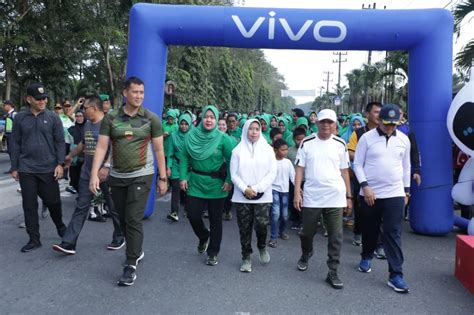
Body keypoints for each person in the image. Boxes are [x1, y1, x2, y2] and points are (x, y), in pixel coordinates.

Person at [89, 76, 168, 286]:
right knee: (123, 219)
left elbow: (159, 149)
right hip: (117, 176)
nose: (139, 96)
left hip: (142, 174)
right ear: (125, 93)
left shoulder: (151, 119)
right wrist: (94, 173)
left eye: (142, 93)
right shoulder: (111, 118)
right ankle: (137, 249)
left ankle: (130, 264)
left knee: (133, 219)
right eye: (135, 92)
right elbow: (102, 147)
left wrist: (163, 178)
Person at [52, 95, 124, 254]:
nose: (83, 111)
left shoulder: (110, 124)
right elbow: (83, 144)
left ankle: (119, 234)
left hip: (107, 173)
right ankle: (69, 242)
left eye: (85, 108)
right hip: (87, 172)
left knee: (113, 206)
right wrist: (71, 156)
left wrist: (106, 166)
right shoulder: (88, 125)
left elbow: (116, 146)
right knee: (81, 206)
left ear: (95, 109)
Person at [353, 104, 411, 293]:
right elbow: (358, 164)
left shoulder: (403, 139)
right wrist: (365, 186)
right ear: (378, 120)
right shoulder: (366, 138)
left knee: (393, 232)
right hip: (370, 194)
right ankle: (366, 255)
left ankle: (396, 274)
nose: (390, 128)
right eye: (386, 124)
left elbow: (406, 166)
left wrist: (406, 191)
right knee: (370, 229)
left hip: (394, 193)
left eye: (394, 125)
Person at [293, 109, 352, 289]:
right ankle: (306, 253)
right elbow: (300, 169)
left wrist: (349, 196)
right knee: (307, 233)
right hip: (312, 196)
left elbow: (344, 172)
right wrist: (297, 192)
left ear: (335, 124)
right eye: (323, 122)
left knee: (336, 235)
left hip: (335, 196)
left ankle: (332, 271)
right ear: (317, 123)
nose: (326, 125)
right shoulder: (307, 142)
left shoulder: (340, 144)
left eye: (330, 122)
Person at [10, 83, 67, 252]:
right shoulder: (20, 118)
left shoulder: (53, 117)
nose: (43, 101)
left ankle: (60, 226)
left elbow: (60, 142)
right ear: (29, 99)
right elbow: (15, 143)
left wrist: (60, 163)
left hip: (48, 168)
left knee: (53, 201)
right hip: (26, 169)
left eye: (45, 98)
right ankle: (34, 239)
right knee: (29, 205)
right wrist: (14, 166)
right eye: (39, 98)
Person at [180, 105, 234, 266]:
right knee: (193, 215)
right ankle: (204, 236)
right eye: (206, 117)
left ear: (217, 120)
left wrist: (229, 180)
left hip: (217, 185)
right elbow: (184, 156)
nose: (209, 120)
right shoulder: (191, 135)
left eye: (212, 117)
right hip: (195, 182)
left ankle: (213, 252)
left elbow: (232, 161)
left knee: (216, 219)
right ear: (201, 118)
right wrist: (183, 177)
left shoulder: (223, 139)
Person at [230, 119, 277, 272]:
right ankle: (246, 257)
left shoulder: (268, 150)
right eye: (251, 129)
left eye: (257, 129)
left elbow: (272, 173)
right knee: (244, 228)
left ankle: (262, 246)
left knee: (262, 224)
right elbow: (233, 175)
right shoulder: (237, 151)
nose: (254, 132)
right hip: (241, 195)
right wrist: (245, 189)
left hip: (262, 195)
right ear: (245, 130)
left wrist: (256, 188)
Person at [347, 102, 384, 252]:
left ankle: (379, 244)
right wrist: (366, 159)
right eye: (375, 112)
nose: (379, 115)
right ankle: (358, 231)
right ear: (367, 115)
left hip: (381, 178)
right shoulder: (359, 133)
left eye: (381, 112)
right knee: (361, 208)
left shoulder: (387, 131)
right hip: (361, 177)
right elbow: (350, 152)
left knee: (380, 211)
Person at [268, 138, 295, 248]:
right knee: (275, 214)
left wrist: (298, 188)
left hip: (285, 191)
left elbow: (293, 176)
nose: (285, 152)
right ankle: (273, 237)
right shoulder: (271, 162)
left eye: (286, 150)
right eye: (282, 150)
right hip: (274, 189)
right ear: (275, 150)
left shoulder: (288, 162)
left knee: (284, 215)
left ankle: (282, 231)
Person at [166, 113, 192, 222]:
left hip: (189, 167)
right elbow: (170, 153)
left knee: (187, 190)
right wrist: (168, 167)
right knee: (176, 189)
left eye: (186, 124)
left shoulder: (193, 136)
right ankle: (174, 212)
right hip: (176, 165)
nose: (184, 126)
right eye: (182, 124)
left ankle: (188, 209)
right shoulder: (173, 136)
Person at [66, 110, 86, 193]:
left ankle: (82, 196)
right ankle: (78, 191)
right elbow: (67, 143)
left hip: (86, 157)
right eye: (77, 116)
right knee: (74, 178)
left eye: (81, 116)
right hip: (74, 158)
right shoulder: (71, 129)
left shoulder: (88, 127)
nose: (79, 118)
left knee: (84, 178)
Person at [3, 99, 17, 173]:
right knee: (10, 151)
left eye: (4, 105)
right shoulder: (8, 114)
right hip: (8, 135)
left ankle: (15, 168)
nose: (4, 107)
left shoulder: (14, 114)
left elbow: (17, 125)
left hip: (12, 135)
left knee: (12, 151)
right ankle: (13, 167)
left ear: (9, 105)